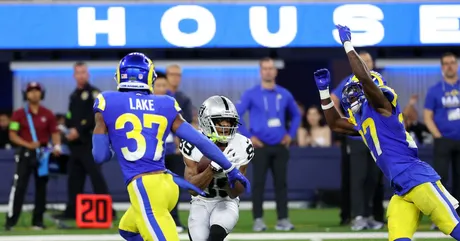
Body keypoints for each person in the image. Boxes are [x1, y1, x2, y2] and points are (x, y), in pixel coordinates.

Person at [314, 24, 460, 241]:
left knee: (453, 225)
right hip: (401, 188)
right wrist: (324, 93)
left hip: (417, 178)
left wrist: (347, 45)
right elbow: (335, 124)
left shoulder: (383, 105)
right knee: (398, 236)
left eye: (358, 88)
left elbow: (364, 78)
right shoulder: (364, 121)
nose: (353, 93)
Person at [91, 52, 250, 241]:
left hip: (145, 186)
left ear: (120, 75)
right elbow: (200, 140)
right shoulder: (165, 103)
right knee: (128, 230)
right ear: (149, 77)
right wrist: (230, 168)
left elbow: (100, 157)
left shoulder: (107, 101)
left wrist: (111, 140)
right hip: (168, 184)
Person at [237, 57, 301, 232]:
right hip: (260, 147)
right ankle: (258, 219)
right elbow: (236, 116)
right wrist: (249, 137)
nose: (268, 71)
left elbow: (296, 115)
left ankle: (283, 219)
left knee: (281, 184)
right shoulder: (251, 94)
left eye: (271, 68)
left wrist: (291, 134)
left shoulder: (284, 94)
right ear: (260, 71)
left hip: (280, 146)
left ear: (275, 71)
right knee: (258, 184)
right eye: (265, 68)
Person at [181, 95, 254, 241]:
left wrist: (228, 172)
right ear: (206, 121)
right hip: (200, 201)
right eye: (220, 121)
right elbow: (191, 189)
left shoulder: (242, 145)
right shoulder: (192, 142)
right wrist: (213, 168)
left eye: (230, 121)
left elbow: (236, 192)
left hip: (226, 201)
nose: (226, 125)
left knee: (215, 236)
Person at [331, 50, 384, 229]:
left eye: (368, 61)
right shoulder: (349, 81)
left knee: (373, 178)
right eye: (362, 61)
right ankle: (358, 216)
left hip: (376, 138)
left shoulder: (378, 80)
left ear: (373, 64)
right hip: (357, 138)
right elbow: (333, 98)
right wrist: (343, 123)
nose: (365, 64)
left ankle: (368, 215)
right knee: (358, 178)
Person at [54, 61, 111, 220]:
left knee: (95, 176)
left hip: (90, 143)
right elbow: (72, 117)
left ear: (88, 74)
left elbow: (96, 117)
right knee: (74, 178)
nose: (81, 75)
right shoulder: (73, 95)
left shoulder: (94, 93)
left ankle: (107, 210)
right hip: (75, 145)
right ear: (74, 75)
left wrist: (78, 130)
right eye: (78, 72)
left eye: (83, 72)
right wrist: (66, 128)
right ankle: (72, 211)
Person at [5, 82, 61, 230]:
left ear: (41, 94)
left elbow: (55, 133)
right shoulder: (19, 113)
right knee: (19, 187)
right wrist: (28, 144)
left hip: (42, 155)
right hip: (25, 153)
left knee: (41, 188)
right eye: (31, 91)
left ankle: (38, 221)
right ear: (26, 94)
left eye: (37, 91)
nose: (34, 94)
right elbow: (12, 135)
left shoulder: (47, 114)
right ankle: (11, 221)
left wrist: (56, 146)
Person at [424, 52, 460, 216]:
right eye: (446, 63)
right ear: (442, 67)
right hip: (443, 140)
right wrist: (437, 135)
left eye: (452, 62)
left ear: (457, 65)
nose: (450, 66)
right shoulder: (434, 91)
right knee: (441, 179)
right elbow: (427, 116)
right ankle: (441, 215)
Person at [166, 64, 193, 231]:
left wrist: (180, 141)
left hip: (175, 150)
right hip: (158, 150)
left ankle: (174, 219)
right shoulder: (157, 97)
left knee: (174, 186)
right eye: (172, 74)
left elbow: (187, 123)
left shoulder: (183, 99)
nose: (175, 77)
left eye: (178, 75)